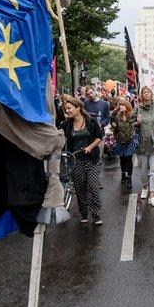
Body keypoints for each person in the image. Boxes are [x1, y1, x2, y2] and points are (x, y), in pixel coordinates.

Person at [59, 95, 103, 224]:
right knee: (80, 189)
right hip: (76, 161)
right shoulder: (66, 124)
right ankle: (83, 213)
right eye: (65, 109)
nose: (67, 111)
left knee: (93, 187)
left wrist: (90, 147)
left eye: (69, 108)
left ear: (78, 108)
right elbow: (56, 135)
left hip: (92, 160)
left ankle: (96, 215)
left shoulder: (91, 121)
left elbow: (99, 136)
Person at [131, 86, 154, 207]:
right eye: (144, 92)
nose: (146, 94)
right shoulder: (137, 109)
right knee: (144, 170)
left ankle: (152, 195)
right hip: (142, 144)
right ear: (141, 95)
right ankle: (145, 187)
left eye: (148, 92)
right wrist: (137, 122)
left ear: (151, 94)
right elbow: (130, 123)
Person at [110, 97, 136, 189]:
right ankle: (123, 175)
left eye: (122, 105)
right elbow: (113, 122)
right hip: (120, 141)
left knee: (128, 158)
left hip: (129, 141)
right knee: (122, 159)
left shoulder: (132, 116)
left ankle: (129, 178)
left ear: (127, 106)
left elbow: (136, 125)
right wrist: (113, 126)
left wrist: (138, 122)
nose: (120, 107)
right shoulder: (118, 116)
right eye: (120, 105)